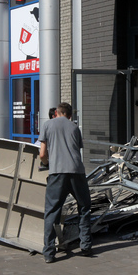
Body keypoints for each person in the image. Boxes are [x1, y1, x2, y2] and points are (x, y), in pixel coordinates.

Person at [39, 102, 92, 263]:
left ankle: (49, 253)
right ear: (70, 115)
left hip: (57, 173)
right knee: (84, 207)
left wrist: (47, 163)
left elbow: (42, 154)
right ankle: (86, 246)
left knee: (52, 211)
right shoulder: (75, 128)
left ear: (56, 112)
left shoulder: (47, 125)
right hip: (77, 172)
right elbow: (77, 150)